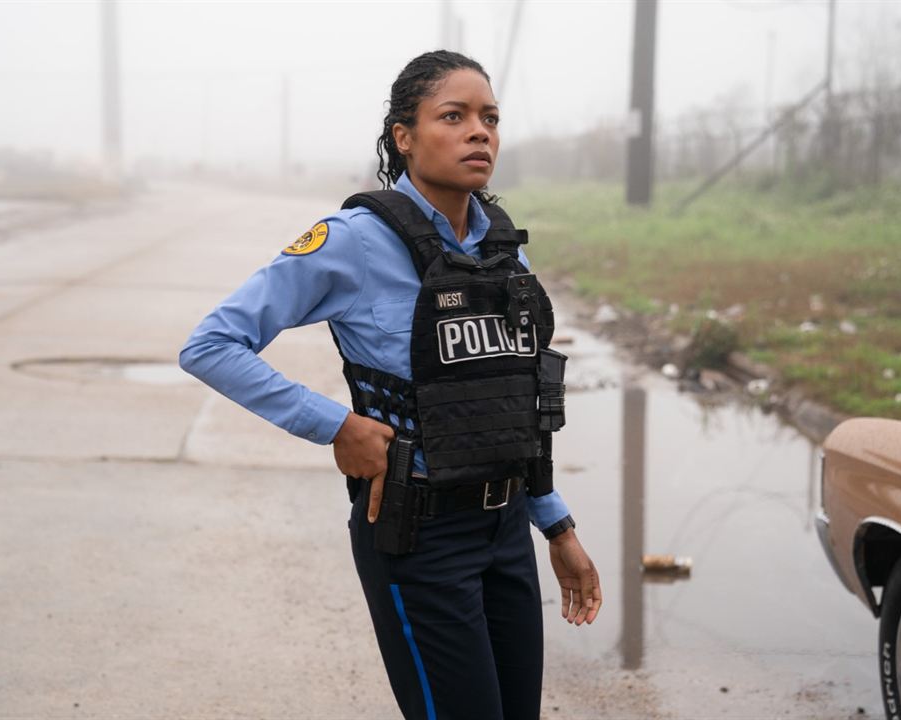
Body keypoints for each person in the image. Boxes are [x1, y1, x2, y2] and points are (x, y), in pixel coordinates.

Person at [179, 50, 601, 720]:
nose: (479, 132)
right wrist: (335, 425)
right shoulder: (355, 239)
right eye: (453, 116)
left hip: (505, 530)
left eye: (489, 117)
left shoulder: (501, 246)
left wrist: (555, 527)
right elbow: (210, 345)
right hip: (419, 534)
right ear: (403, 135)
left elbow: (512, 405)